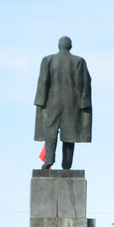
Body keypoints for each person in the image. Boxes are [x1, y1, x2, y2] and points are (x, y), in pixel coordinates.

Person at [34, 37, 92, 169]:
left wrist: (40, 102)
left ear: (58, 46)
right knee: (70, 134)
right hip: (72, 103)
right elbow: (83, 82)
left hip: (52, 103)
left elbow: (43, 82)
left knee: (50, 131)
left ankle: (49, 159)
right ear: (70, 47)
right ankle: (67, 164)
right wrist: (84, 102)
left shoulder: (48, 60)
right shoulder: (79, 61)